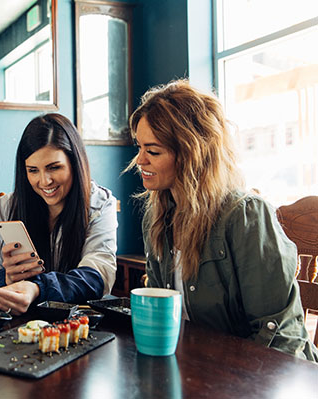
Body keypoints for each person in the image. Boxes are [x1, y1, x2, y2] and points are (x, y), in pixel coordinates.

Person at [127, 79, 317, 361]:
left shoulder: (246, 215)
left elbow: (279, 337)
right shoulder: (156, 218)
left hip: (258, 377)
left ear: (192, 153)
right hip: (197, 367)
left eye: (153, 151)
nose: (140, 160)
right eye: (140, 147)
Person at [0, 113, 118, 315]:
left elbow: (97, 277)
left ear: (75, 163)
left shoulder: (99, 204)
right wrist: (7, 280)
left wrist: (37, 287)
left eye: (54, 167)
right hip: (21, 326)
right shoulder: (6, 207)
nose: (45, 181)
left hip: (80, 324)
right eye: (33, 170)